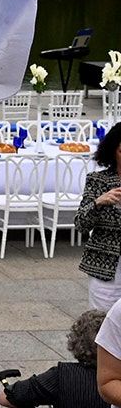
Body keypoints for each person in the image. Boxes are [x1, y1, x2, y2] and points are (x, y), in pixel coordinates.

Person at [76, 123, 121, 310]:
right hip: (106, 265)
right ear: (113, 152)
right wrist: (98, 203)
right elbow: (80, 224)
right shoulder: (98, 180)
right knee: (101, 326)